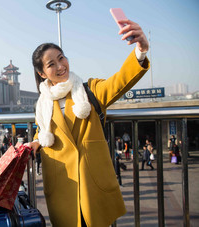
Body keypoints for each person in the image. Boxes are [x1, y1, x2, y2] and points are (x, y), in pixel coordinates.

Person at [26, 18, 149, 226]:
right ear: (41, 73)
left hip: (93, 184)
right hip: (62, 185)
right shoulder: (43, 104)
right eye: (51, 64)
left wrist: (141, 51)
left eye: (61, 58)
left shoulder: (89, 90)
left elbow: (119, 81)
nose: (60, 66)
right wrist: (36, 142)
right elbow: (43, 130)